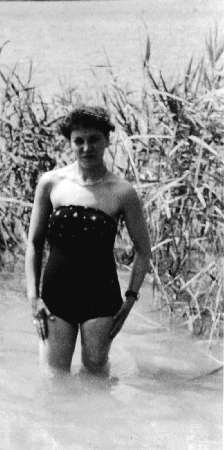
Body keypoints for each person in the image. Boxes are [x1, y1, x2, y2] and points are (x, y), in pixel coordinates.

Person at [25, 105, 151, 373]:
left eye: (94, 139)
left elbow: (143, 250)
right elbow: (34, 243)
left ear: (107, 140)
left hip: (101, 297)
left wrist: (130, 299)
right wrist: (33, 297)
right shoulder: (51, 183)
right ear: (70, 142)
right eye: (78, 141)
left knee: (96, 374)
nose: (86, 148)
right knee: (54, 376)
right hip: (56, 295)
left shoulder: (123, 192)